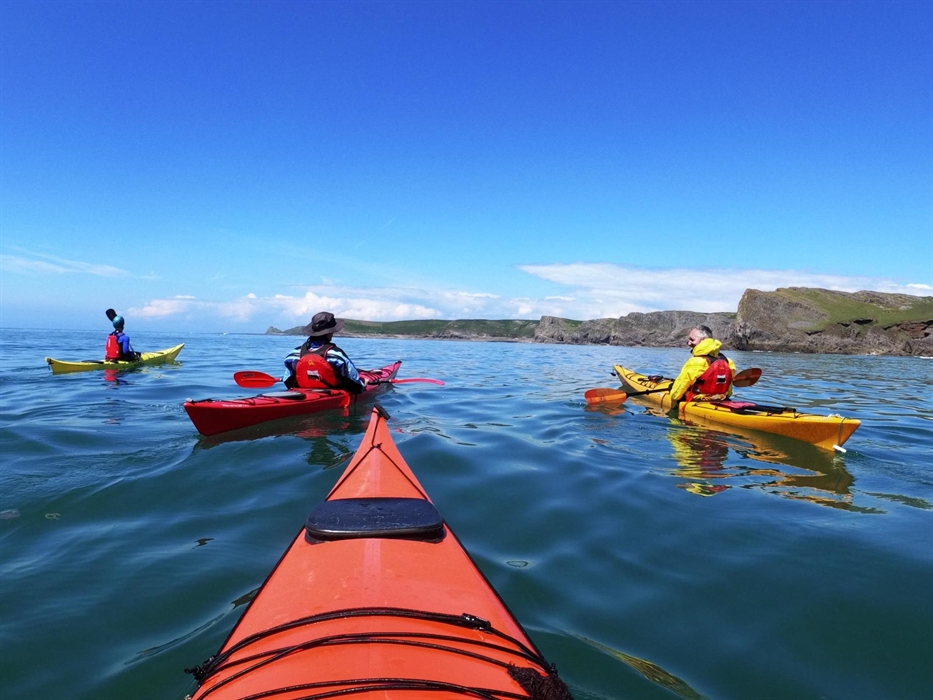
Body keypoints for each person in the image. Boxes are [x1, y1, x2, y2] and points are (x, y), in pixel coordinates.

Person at [283, 312, 366, 393]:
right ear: (329, 332)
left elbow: (287, 381)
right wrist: (363, 384)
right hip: (332, 394)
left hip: (301, 393)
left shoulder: (293, 354)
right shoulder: (336, 355)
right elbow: (356, 385)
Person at [669, 325, 737, 402]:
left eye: (692, 340)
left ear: (703, 340)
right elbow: (729, 393)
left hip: (697, 401)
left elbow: (675, 395)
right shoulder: (728, 362)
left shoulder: (695, 362)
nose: (689, 343)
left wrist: (672, 396)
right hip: (720, 399)